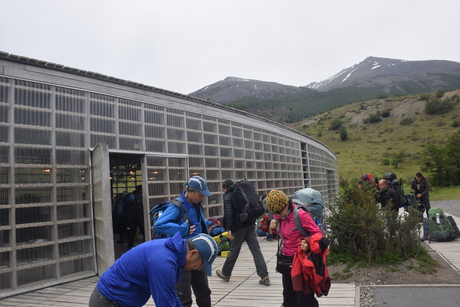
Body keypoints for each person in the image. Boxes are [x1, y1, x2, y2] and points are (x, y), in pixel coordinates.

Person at [88, 232, 218, 307]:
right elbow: (165, 303)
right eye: (201, 265)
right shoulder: (164, 263)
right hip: (108, 302)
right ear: (193, 253)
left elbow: (171, 296)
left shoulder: (174, 252)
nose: (198, 269)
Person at [154, 175, 213, 307]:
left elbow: (195, 223)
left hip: (198, 254)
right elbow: (159, 225)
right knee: (183, 296)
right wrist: (183, 229)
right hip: (182, 256)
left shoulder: (196, 204)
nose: (203, 197)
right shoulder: (177, 206)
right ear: (190, 191)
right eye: (200, 194)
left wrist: (207, 224)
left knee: (204, 292)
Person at [266, 189, 323, 307]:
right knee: (288, 296)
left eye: (279, 211)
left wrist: (307, 243)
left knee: (304, 297)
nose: (277, 215)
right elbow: (284, 236)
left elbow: (318, 234)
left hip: (301, 261)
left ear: (286, 204)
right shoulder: (279, 218)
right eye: (274, 212)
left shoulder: (300, 215)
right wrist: (273, 230)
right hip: (286, 261)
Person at [216, 179, 271, 285]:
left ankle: (226, 273)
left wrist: (228, 229)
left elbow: (229, 213)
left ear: (225, 188)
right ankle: (264, 275)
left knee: (234, 250)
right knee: (256, 250)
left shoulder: (228, 196)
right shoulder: (242, 192)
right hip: (250, 224)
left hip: (239, 227)